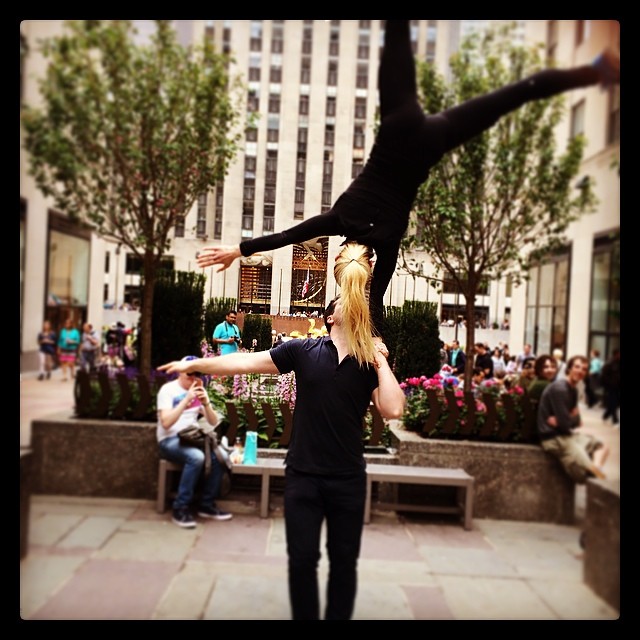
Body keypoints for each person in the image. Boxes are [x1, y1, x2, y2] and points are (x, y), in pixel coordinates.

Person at [195, 20, 619, 338]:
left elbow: (375, 301)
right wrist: (238, 249)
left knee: (513, 95)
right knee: (397, 35)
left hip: (432, 141)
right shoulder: (340, 219)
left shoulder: (388, 240)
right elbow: (286, 235)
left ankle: (599, 69)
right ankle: (596, 69)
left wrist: (377, 347)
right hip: (401, 122)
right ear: (344, 249)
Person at [159, 247, 405, 620]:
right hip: (303, 477)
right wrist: (198, 364)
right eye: (341, 304)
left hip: (348, 479)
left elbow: (393, 408)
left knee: (344, 565)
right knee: (302, 562)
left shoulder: (367, 361)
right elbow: (244, 361)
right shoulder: (304, 350)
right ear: (329, 317)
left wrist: (381, 360)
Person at [156, 355, 233, 528]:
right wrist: (186, 400)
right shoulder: (168, 390)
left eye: (196, 374)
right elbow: (166, 423)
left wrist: (205, 403)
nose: (192, 378)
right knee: (197, 457)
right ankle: (180, 508)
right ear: (180, 373)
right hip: (169, 439)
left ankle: (207, 504)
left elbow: (213, 422)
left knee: (219, 456)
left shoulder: (198, 390)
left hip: (192, 438)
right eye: (188, 374)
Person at [537, 355, 609, 482]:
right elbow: (567, 424)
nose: (580, 371)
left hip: (566, 435)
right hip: (554, 438)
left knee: (602, 447)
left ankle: (596, 470)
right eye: (577, 367)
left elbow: (576, 422)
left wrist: (568, 419)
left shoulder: (573, 390)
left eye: (584, 369)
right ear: (569, 369)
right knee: (587, 472)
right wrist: (571, 418)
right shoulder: (560, 388)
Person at [600, 349, 620, 425]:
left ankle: (606, 415)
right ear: (616, 354)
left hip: (617, 387)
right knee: (613, 402)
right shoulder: (609, 363)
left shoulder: (618, 363)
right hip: (611, 387)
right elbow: (604, 376)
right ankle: (615, 420)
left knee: (615, 402)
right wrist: (608, 385)